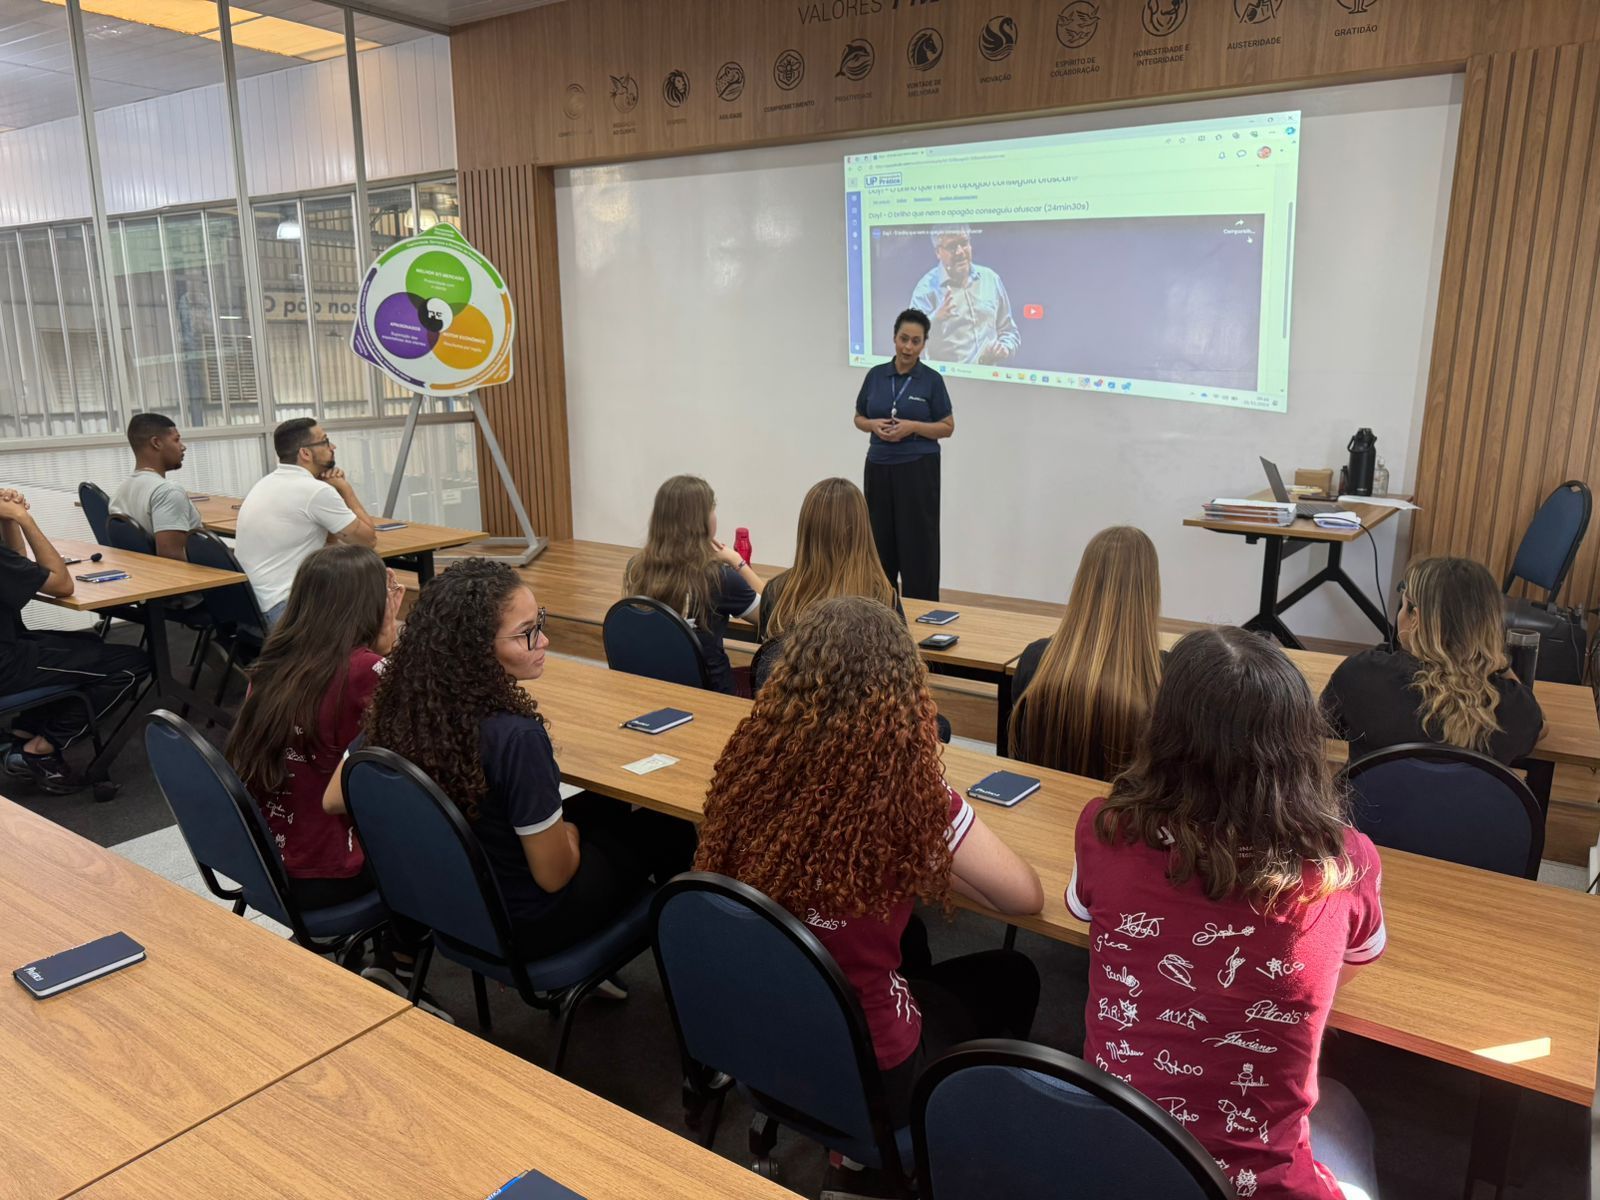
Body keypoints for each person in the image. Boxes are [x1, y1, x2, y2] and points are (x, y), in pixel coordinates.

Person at [696, 597, 1043, 1129]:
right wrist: (928, 842)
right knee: (1012, 975)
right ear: (904, 695)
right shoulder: (908, 793)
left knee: (912, 944)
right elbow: (1023, 896)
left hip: (763, 1043)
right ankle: (952, 1139)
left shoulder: (749, 772)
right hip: (872, 1072)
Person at [1070, 626, 1386, 1200]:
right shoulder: (1345, 863)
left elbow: (1087, 916)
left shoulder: (1105, 827)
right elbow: (1353, 967)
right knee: (1346, 1111)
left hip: (1111, 1161)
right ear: (1297, 744)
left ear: (1162, 730)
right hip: (1260, 1189)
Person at [354, 557, 694, 960]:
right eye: (526, 634)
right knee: (668, 826)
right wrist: (569, 834)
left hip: (457, 906)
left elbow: (336, 796)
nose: (544, 641)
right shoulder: (515, 737)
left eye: (540, 623)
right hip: (530, 925)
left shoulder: (405, 706)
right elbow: (554, 876)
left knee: (606, 804)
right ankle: (687, 960)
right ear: (476, 650)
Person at [225, 544, 403, 910]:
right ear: (370, 606)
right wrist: (388, 638)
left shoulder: (274, 663)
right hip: (334, 870)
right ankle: (400, 954)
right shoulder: (363, 671)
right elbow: (414, 735)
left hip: (268, 864)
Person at [1322, 556, 1544, 765]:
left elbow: (1323, 725)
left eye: (1403, 605)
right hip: (1464, 807)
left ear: (1416, 619)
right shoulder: (1510, 705)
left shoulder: (1362, 674)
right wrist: (1500, 662)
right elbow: (1541, 727)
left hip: (1374, 807)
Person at [0, 487, 149, 793]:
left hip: (12, 647)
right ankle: (42, 749)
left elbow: (17, 567)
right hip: (8, 664)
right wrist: (25, 520)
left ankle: (24, 731)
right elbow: (61, 584)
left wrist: (8, 522)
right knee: (133, 663)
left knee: (91, 647)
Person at [1009, 526, 1163, 779]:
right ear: (1151, 590)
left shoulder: (1035, 660)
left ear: (1083, 582)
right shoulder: (1164, 678)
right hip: (1120, 818)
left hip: (1038, 810)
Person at [622, 475, 763, 695]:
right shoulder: (719, 578)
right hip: (711, 698)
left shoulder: (636, 568)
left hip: (651, 691)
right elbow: (774, 613)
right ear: (703, 521)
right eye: (712, 510)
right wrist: (738, 561)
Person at [235, 418, 377, 628]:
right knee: (372, 602)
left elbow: (328, 538)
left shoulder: (266, 482)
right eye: (325, 441)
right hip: (285, 611)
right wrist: (345, 489)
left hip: (250, 608)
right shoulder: (316, 491)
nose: (333, 447)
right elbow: (368, 540)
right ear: (306, 453)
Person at [854, 308, 954, 601]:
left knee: (918, 543)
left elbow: (947, 427)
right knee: (879, 541)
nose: (908, 347)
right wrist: (873, 425)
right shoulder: (876, 376)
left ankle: (921, 611)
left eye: (916, 341)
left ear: (924, 344)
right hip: (879, 467)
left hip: (918, 469)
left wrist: (913, 427)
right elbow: (859, 417)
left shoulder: (931, 381)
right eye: (903, 339)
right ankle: (880, 609)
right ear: (894, 338)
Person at [758, 477, 900, 641]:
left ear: (806, 529)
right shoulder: (883, 596)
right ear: (862, 531)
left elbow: (765, 659)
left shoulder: (777, 593)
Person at [910, 225, 1020, 366]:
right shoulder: (925, 290)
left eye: (964, 243)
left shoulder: (991, 279)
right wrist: (934, 319)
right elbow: (911, 344)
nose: (960, 252)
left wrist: (1005, 347)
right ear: (938, 252)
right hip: (948, 382)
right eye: (952, 246)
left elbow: (1009, 331)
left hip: (990, 380)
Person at [108, 413, 201, 561]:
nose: (183, 447)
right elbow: (172, 561)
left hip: (144, 577)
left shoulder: (120, 491)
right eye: (176, 440)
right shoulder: (168, 492)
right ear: (156, 443)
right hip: (191, 580)